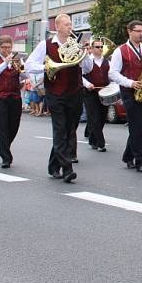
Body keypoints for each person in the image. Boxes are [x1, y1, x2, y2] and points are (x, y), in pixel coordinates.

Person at [25, 14, 93, 182]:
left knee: (69, 131)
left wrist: (85, 54)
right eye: (67, 24)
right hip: (55, 93)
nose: (70, 27)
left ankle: (53, 165)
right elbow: (29, 65)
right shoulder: (46, 45)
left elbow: (88, 68)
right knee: (60, 130)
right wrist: (47, 67)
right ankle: (67, 168)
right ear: (58, 26)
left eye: (70, 24)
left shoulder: (75, 45)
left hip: (75, 92)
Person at [109, 20, 142, 174]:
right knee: (136, 126)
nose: (141, 34)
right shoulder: (120, 51)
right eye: (138, 31)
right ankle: (140, 160)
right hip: (129, 92)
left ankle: (128, 156)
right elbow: (113, 73)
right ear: (129, 31)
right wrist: (130, 83)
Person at [0, 35, 24, 168]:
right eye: (4, 47)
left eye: (9, 47)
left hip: (15, 96)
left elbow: (23, 73)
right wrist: (5, 63)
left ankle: (3, 148)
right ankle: (6, 157)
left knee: (14, 126)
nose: (7, 50)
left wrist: (25, 76)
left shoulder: (17, 58)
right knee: (2, 127)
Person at [81, 38, 110, 153]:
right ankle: (100, 143)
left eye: (101, 47)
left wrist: (113, 86)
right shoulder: (87, 61)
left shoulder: (107, 62)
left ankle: (93, 140)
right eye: (97, 47)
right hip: (90, 93)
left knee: (102, 118)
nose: (100, 49)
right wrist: (88, 84)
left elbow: (112, 76)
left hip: (104, 93)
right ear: (92, 49)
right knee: (94, 118)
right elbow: (80, 75)